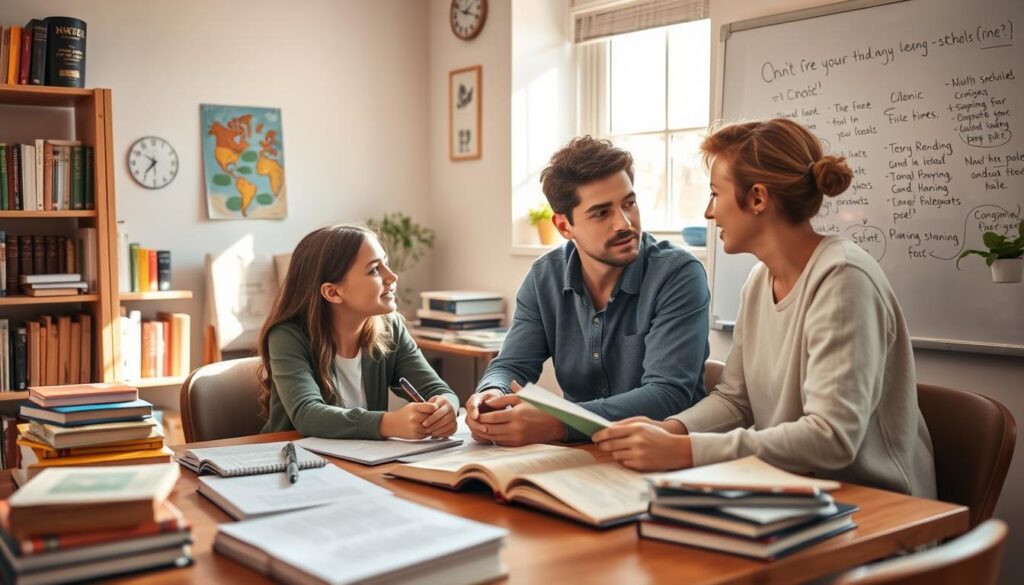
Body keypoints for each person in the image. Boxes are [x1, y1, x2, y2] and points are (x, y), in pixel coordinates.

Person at [593, 118, 936, 498]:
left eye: (715, 194)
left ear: (757, 198)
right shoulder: (759, 281)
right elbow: (734, 400)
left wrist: (685, 451)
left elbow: (832, 438)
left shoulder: (843, 278)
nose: (709, 212)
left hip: (877, 503)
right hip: (798, 492)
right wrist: (672, 430)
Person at [466, 136, 710, 446]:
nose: (624, 224)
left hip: (664, 454)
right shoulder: (544, 277)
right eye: (601, 213)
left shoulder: (677, 274)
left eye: (629, 204)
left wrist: (560, 423)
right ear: (564, 226)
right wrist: (491, 393)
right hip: (580, 454)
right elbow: (511, 365)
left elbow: (667, 395)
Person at [258, 224, 459, 440]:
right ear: (333, 292)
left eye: (387, 264)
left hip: (361, 456)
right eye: (374, 270)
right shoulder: (287, 337)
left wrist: (446, 406)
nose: (392, 276)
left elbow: (436, 389)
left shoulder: (390, 328)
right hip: (292, 455)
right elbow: (307, 415)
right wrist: (387, 423)